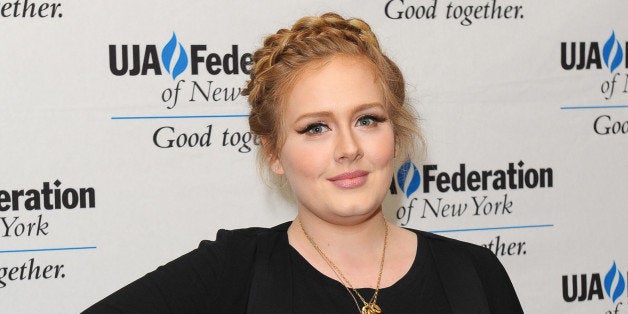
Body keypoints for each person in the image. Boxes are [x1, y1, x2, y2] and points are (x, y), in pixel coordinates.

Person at [83, 12, 523, 314]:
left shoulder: (475, 274)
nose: (348, 148)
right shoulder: (233, 273)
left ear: (396, 133)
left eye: (367, 119)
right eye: (316, 127)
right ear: (273, 152)